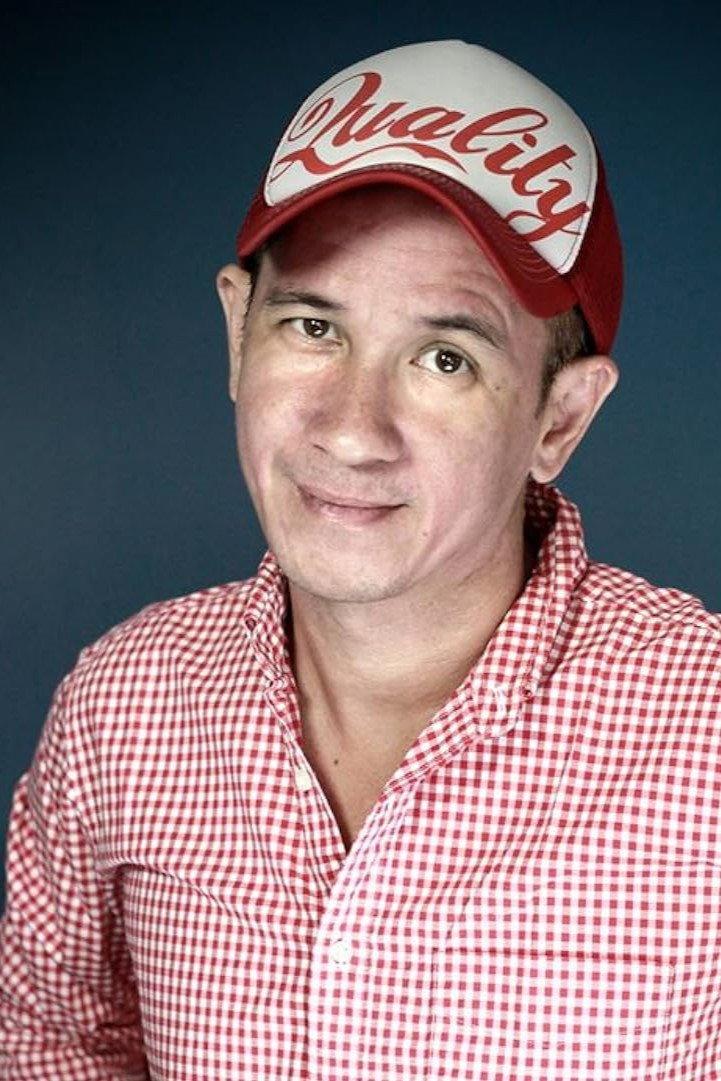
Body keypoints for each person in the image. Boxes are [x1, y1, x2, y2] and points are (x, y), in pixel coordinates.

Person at [1, 38, 719, 1081]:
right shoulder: (122, 707)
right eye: (312, 326)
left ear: (559, 418)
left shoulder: (704, 735)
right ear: (237, 330)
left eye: (445, 357)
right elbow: (51, 1040)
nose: (350, 429)